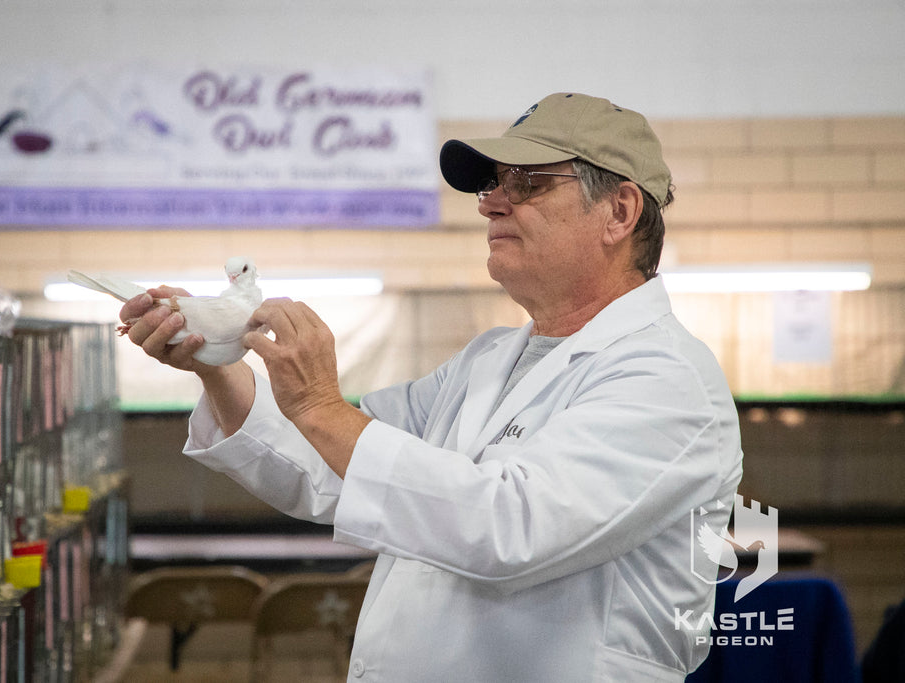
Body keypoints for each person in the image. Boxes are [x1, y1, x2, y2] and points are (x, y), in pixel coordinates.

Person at [120, 92, 743, 682]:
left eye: (525, 183)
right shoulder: (488, 361)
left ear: (620, 212)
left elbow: (509, 530)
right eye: (492, 183)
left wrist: (318, 404)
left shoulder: (666, 380)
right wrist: (218, 361)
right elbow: (331, 465)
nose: (490, 203)